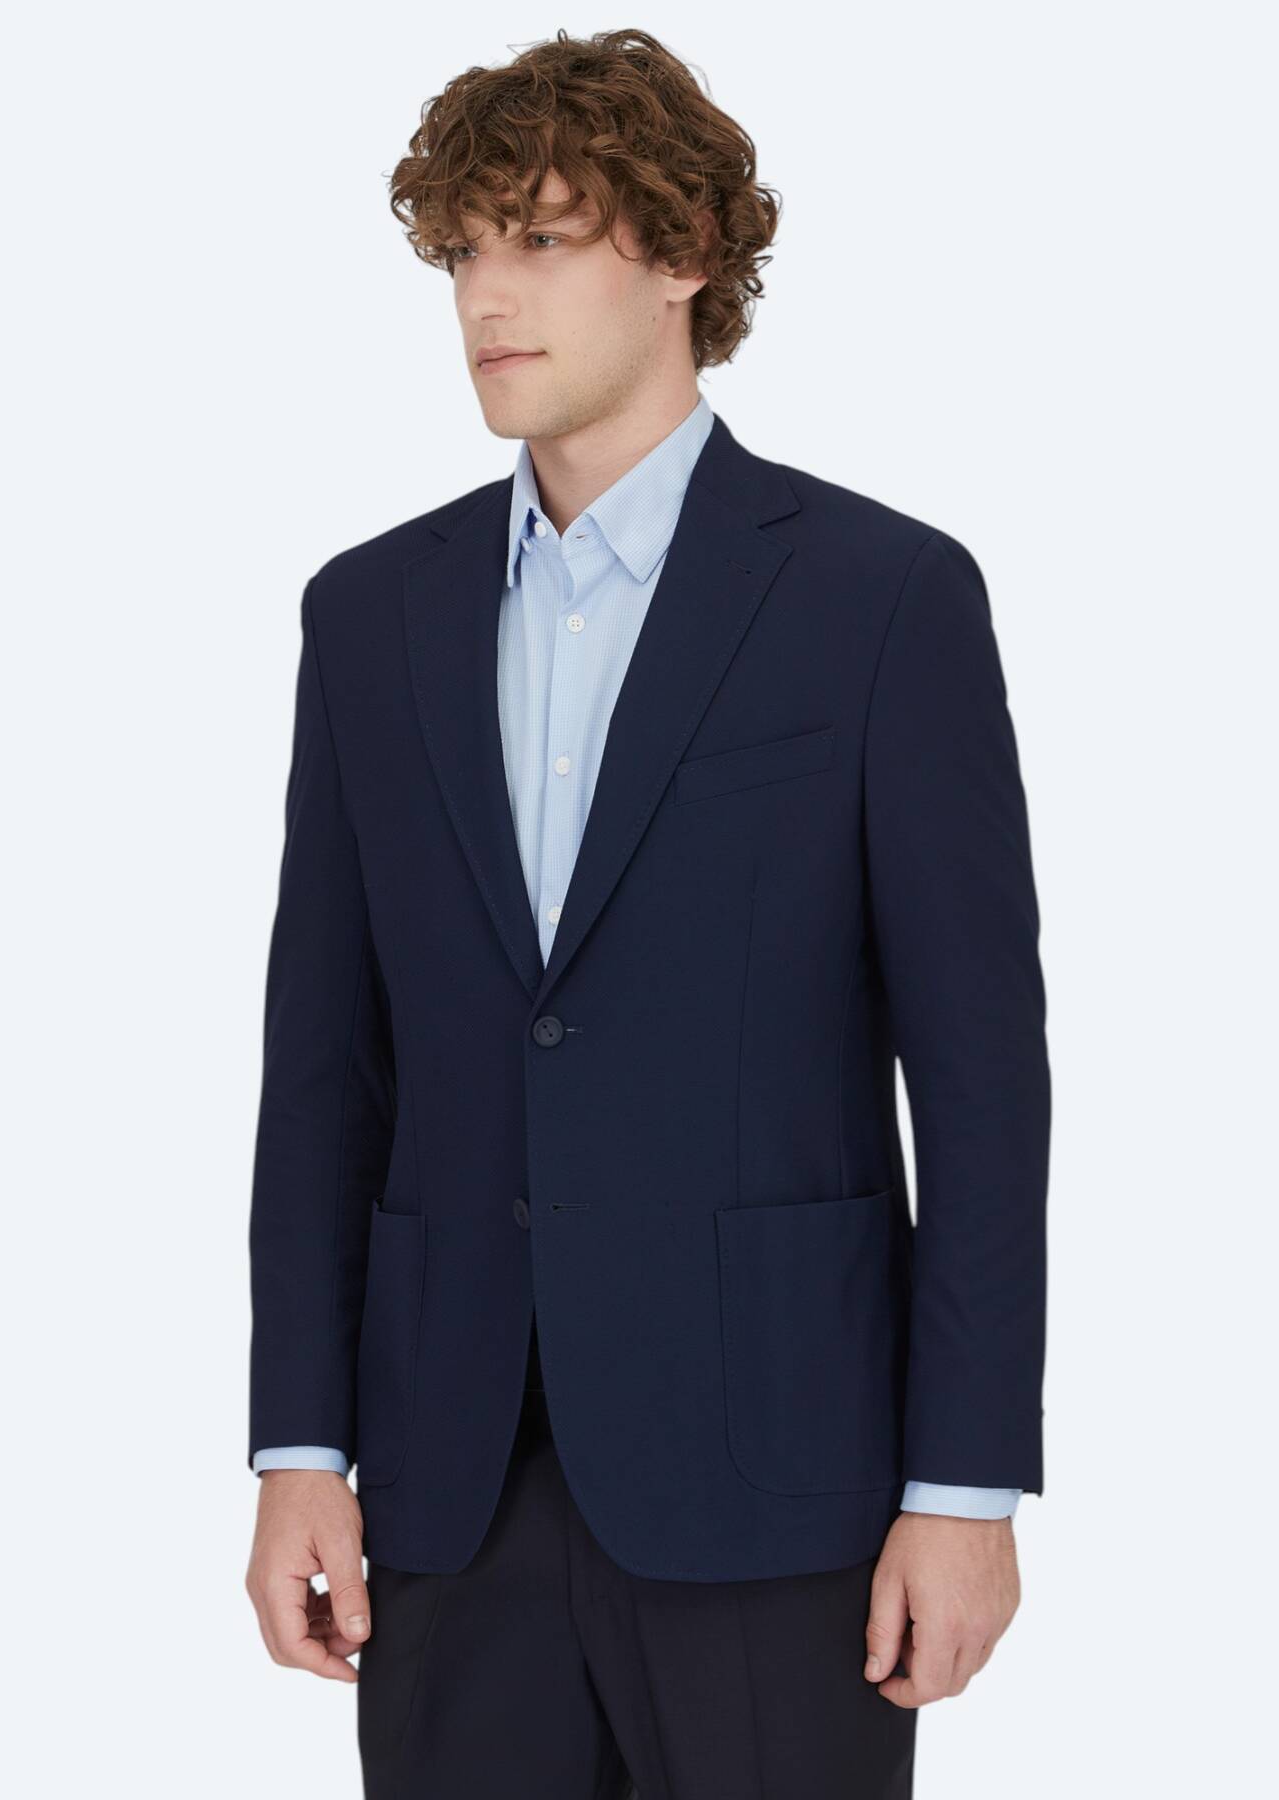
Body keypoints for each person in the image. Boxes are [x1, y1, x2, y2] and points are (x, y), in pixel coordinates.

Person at [244, 27, 1049, 1799]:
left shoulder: (878, 598)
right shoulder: (368, 617)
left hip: (779, 1480)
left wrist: (964, 1487)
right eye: (463, 250)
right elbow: (323, 1068)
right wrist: (298, 1446)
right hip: (447, 1482)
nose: (485, 296)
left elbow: (981, 1083)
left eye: (540, 239)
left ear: (683, 251)